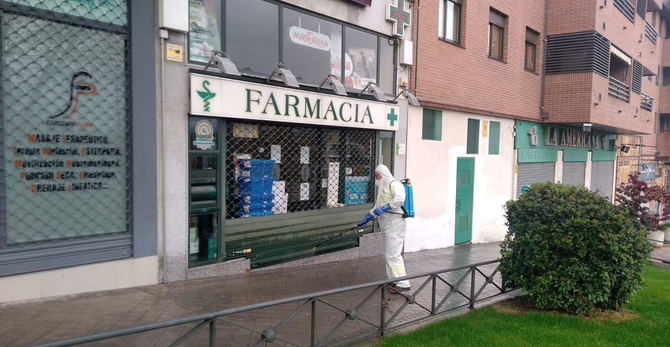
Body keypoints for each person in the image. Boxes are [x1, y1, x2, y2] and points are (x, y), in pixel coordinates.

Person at [357, 164, 411, 293]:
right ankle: (393, 280)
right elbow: (378, 207)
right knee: (388, 255)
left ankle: (403, 283)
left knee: (394, 255)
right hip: (388, 226)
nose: (377, 178)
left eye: (377, 175)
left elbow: (399, 200)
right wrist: (368, 217)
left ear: (382, 174)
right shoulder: (383, 188)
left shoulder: (394, 184)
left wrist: (386, 208)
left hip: (395, 225)